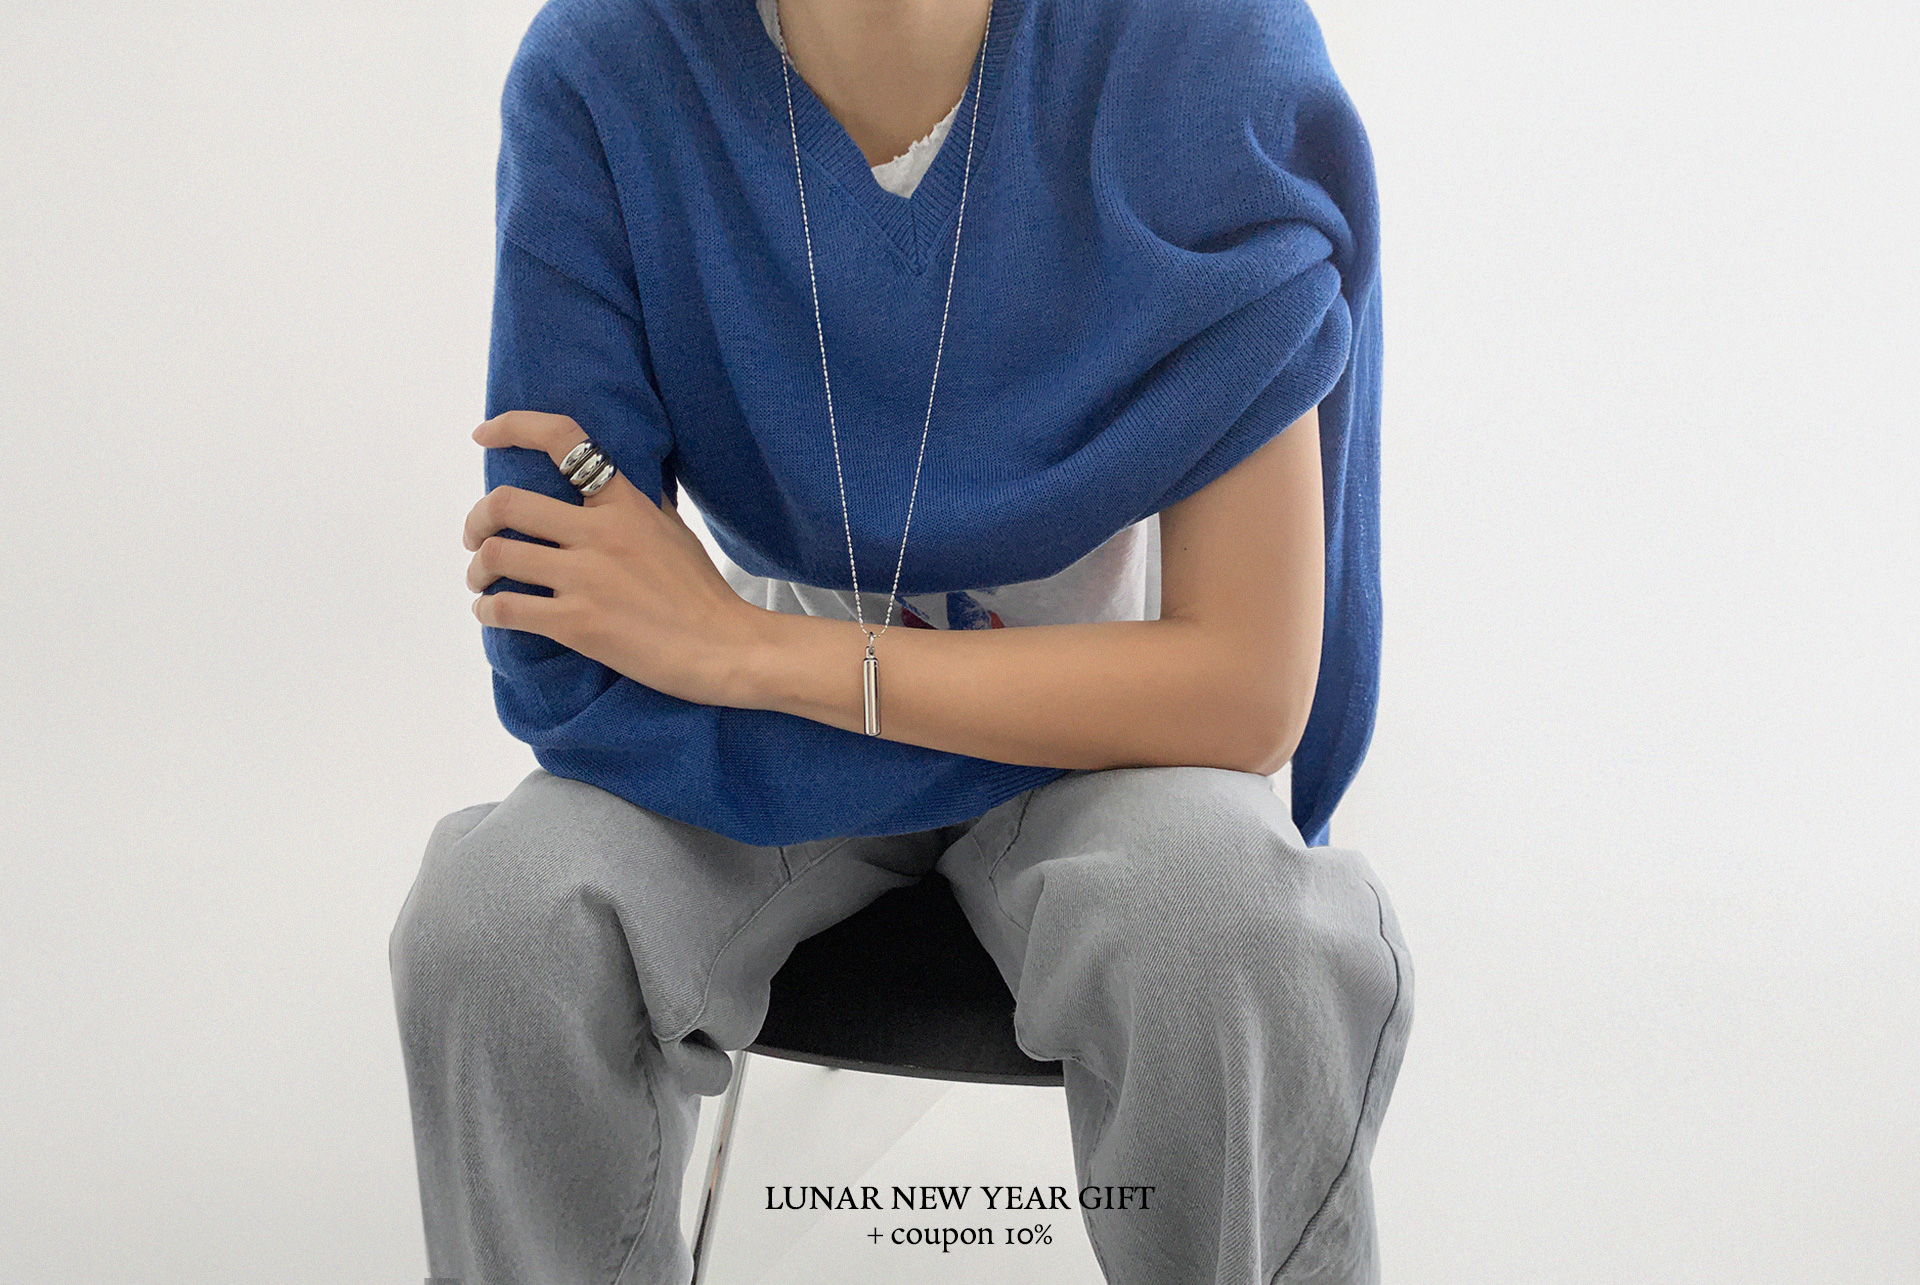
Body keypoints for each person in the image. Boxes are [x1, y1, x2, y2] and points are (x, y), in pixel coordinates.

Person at [388, 0, 1413, 1281]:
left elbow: (1247, 690)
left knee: (1227, 921)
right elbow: (564, 665)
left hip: (1102, 759)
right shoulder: (610, 65)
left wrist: (743, 649)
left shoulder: (1201, 47)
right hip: (806, 748)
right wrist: (755, 671)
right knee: (498, 919)